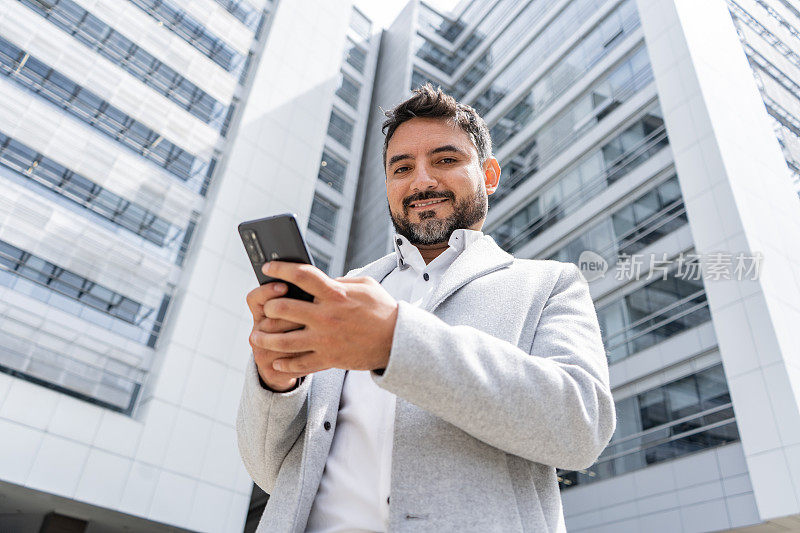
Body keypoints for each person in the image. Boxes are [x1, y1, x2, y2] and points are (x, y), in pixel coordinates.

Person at [236, 84, 616, 532]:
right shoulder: (343, 293)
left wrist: (396, 342)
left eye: (446, 160)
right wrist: (276, 382)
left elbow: (581, 428)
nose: (422, 181)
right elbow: (269, 472)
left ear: (489, 174)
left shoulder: (549, 284)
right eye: (402, 168)